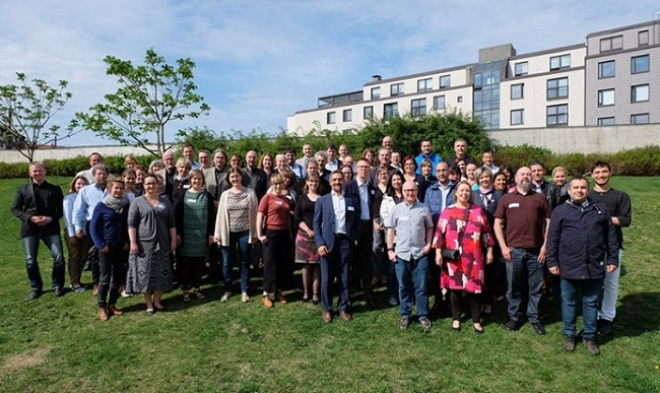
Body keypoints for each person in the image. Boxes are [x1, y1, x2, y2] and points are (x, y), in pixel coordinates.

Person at [546, 176, 619, 355]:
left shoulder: (599, 209)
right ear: (569, 191)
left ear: (588, 190)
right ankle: (570, 335)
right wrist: (552, 262)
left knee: (591, 301)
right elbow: (552, 239)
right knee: (569, 301)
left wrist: (612, 259)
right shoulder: (560, 211)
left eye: (583, 187)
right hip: (568, 265)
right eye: (576, 187)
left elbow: (611, 236)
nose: (579, 190)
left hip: (593, 265)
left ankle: (589, 336)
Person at [494, 167, 551, 335]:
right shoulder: (506, 198)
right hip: (513, 251)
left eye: (528, 174)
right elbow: (497, 223)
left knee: (536, 286)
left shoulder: (540, 198)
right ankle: (514, 316)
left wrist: (545, 245)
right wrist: (503, 247)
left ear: (532, 177)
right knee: (513, 286)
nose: (525, 177)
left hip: (536, 251)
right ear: (516, 178)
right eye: (522, 174)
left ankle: (534, 317)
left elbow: (549, 222)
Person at [433, 181, 494, 333]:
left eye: (467, 191)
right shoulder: (447, 211)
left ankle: (476, 320)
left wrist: (490, 250)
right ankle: (456, 318)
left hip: (474, 256)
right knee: (455, 288)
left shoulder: (478, 211)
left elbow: (487, 233)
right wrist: (438, 252)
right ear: (456, 193)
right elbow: (439, 233)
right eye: (461, 190)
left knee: (474, 289)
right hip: (454, 257)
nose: (464, 193)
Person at [589, 161, 632, 336]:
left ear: (610, 173)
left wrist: (603, 218)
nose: (601, 175)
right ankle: (592, 314)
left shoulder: (621, 196)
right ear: (592, 175)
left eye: (604, 172)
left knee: (611, 283)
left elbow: (626, 220)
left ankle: (606, 317)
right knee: (591, 282)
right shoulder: (587, 194)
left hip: (613, 247)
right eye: (597, 172)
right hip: (590, 247)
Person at [11, 162, 65, 299]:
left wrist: (51, 218)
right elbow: (15, 209)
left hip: (50, 227)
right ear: (30, 173)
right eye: (34, 171)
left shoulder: (55, 189)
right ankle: (36, 287)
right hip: (30, 228)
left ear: (45, 172)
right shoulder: (22, 189)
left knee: (58, 257)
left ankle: (58, 285)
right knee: (30, 260)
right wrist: (30, 218)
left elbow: (62, 210)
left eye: (40, 171)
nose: (38, 173)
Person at [126, 173, 177, 314]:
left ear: (158, 185)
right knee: (145, 276)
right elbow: (131, 224)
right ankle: (148, 303)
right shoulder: (137, 202)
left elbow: (172, 223)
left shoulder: (166, 202)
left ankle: (157, 301)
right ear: (143, 185)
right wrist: (133, 242)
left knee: (162, 274)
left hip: (163, 244)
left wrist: (173, 240)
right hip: (144, 245)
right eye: (148, 183)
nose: (151, 186)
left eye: (153, 183)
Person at [314, 171, 361, 323]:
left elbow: (356, 222)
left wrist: (353, 238)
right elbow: (316, 224)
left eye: (340, 179)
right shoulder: (322, 200)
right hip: (327, 243)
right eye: (334, 180)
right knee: (326, 278)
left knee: (344, 276)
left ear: (344, 181)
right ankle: (327, 309)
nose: (337, 182)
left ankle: (342, 307)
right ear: (329, 182)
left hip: (345, 243)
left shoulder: (352, 200)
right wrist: (320, 243)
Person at [386, 181, 434, 330]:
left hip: (420, 252)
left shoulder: (424, 208)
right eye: (407, 190)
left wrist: (429, 244)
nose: (410, 193)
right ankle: (405, 315)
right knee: (404, 286)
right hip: (402, 253)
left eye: (413, 190)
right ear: (402, 191)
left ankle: (423, 315)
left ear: (417, 190)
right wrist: (389, 250)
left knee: (421, 287)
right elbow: (390, 229)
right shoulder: (396, 209)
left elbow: (430, 227)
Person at [215, 168, 258, 303]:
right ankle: (228, 289)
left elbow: (256, 214)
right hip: (228, 232)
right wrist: (217, 233)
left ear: (241, 176)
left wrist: (256, 232)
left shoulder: (250, 193)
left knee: (244, 262)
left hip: (245, 231)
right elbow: (220, 216)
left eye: (237, 176)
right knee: (227, 262)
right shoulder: (225, 195)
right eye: (232, 177)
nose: (234, 179)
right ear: (229, 179)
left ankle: (244, 290)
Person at [90, 178, 129, 321]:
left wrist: (127, 241)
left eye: (121, 188)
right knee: (105, 278)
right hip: (106, 247)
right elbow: (93, 227)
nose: (118, 191)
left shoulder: (126, 205)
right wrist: (100, 244)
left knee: (117, 277)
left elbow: (127, 225)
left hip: (121, 246)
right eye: (116, 188)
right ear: (110, 189)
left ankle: (112, 304)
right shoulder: (101, 206)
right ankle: (102, 306)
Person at [175, 170, 214, 303]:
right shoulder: (183, 195)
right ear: (190, 180)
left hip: (201, 236)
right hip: (187, 235)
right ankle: (186, 290)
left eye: (199, 179)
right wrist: (178, 233)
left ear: (203, 181)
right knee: (186, 264)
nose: (196, 181)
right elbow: (177, 215)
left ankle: (197, 288)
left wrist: (211, 233)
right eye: (194, 179)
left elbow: (211, 217)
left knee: (199, 264)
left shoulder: (207, 196)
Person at [344, 158, 378, 309]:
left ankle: (368, 294)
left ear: (370, 170)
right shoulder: (349, 186)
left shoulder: (372, 188)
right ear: (357, 169)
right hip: (353, 228)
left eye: (366, 167)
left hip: (367, 228)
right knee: (349, 263)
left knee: (366, 263)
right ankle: (347, 296)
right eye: (361, 167)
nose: (364, 169)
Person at [256, 174, 293, 307]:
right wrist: (260, 234)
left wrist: (290, 234)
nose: (277, 186)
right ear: (271, 185)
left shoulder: (286, 199)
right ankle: (266, 294)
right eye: (275, 184)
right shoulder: (267, 198)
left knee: (281, 264)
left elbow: (288, 218)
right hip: (271, 234)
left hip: (283, 233)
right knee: (270, 264)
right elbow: (260, 216)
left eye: (280, 184)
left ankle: (278, 291)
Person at [73, 163, 110, 295]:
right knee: (95, 255)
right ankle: (97, 283)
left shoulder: (112, 188)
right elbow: (78, 210)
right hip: (93, 226)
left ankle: (110, 281)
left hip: (110, 226)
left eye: (104, 174)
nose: (101, 176)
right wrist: (78, 227)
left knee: (110, 254)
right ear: (94, 176)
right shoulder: (86, 190)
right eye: (99, 174)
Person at [471, 167, 504, 314]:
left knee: (491, 270)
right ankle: (477, 300)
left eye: (487, 177)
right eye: (482, 178)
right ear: (478, 179)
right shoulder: (473, 194)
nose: (485, 180)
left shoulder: (499, 195)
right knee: (477, 270)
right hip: (476, 239)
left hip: (494, 237)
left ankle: (488, 300)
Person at [293, 173, 322, 304]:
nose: (313, 184)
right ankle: (306, 292)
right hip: (304, 236)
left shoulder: (322, 199)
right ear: (307, 183)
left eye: (316, 181)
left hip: (319, 236)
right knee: (306, 266)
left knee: (317, 266)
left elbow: (325, 217)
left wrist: (317, 231)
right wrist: (309, 230)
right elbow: (297, 218)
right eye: (311, 181)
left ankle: (315, 294)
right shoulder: (301, 199)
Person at [63, 175, 90, 292]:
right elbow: (68, 218)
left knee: (83, 256)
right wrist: (72, 234)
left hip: (85, 231)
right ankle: (74, 282)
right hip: (72, 232)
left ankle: (78, 280)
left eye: (83, 184)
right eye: (78, 183)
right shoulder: (69, 199)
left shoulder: (88, 198)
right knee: (75, 257)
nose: (81, 186)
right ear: (74, 185)